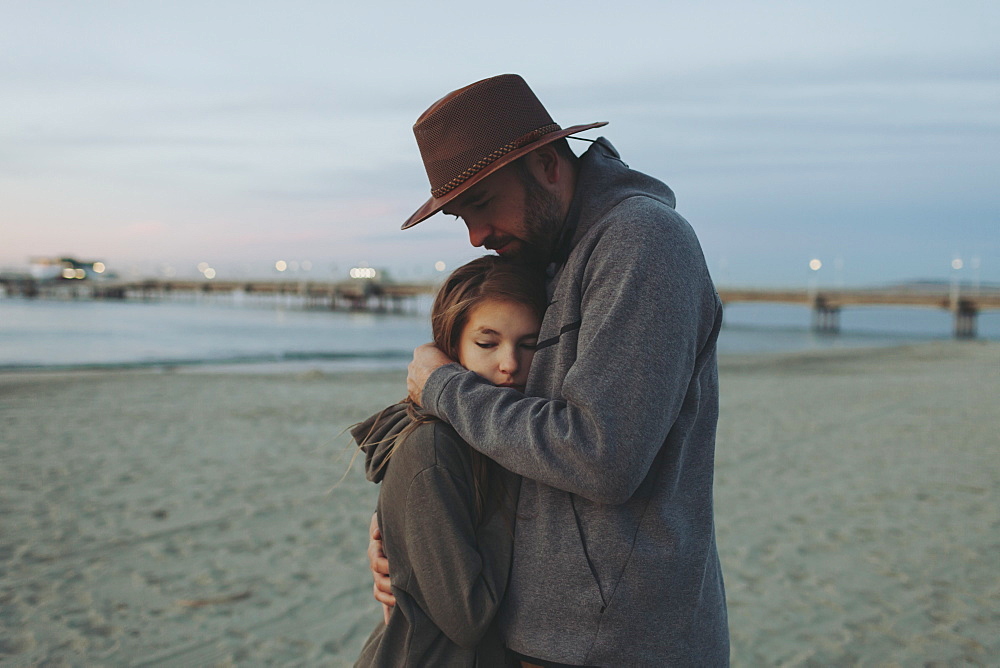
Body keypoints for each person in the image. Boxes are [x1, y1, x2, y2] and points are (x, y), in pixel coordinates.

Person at [371, 73, 729, 665]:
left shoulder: (640, 241)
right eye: (461, 217)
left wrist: (442, 387)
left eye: (481, 204)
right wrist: (406, 540)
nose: (476, 235)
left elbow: (600, 454)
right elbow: (507, 437)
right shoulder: (555, 256)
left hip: (620, 645)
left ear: (546, 165)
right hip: (557, 635)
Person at [353, 255, 547, 667]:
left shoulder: (507, 436)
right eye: (487, 343)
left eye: (529, 344)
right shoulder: (435, 449)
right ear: (450, 348)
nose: (509, 364)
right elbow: (467, 618)